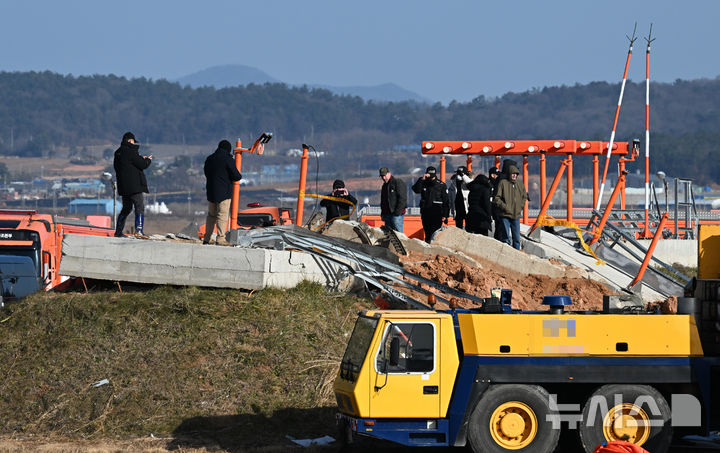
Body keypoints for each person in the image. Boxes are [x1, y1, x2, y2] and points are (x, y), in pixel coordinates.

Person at [113, 132, 152, 238]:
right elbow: (142, 165)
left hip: (124, 187)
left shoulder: (117, 153)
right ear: (130, 141)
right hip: (134, 187)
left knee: (126, 208)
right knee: (139, 206)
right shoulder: (131, 152)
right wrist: (148, 160)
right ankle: (139, 230)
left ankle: (118, 231)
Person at [203, 139, 242, 245]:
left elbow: (206, 172)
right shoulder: (227, 159)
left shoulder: (210, 158)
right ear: (228, 149)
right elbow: (237, 176)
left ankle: (206, 238)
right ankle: (220, 239)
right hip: (224, 192)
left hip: (211, 191)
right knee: (222, 215)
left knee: (211, 216)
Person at [493, 165, 530, 250]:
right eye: (513, 173)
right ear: (509, 174)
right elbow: (496, 198)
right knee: (505, 238)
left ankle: (516, 255)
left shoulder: (520, 184)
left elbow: (524, 197)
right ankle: (506, 254)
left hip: (516, 215)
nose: (514, 175)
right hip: (505, 215)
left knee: (516, 238)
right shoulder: (503, 183)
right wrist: (505, 207)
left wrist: (520, 207)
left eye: (516, 174)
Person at [411, 166, 449, 243]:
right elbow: (416, 190)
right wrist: (422, 179)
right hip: (426, 212)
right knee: (427, 233)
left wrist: (445, 215)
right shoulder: (423, 182)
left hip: (437, 213)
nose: (430, 178)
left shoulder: (441, 185)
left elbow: (446, 201)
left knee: (435, 234)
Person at [379, 167, 407, 233]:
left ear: (389, 174)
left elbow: (402, 198)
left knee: (399, 235)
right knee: (389, 235)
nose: (383, 178)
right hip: (387, 215)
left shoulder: (397, 182)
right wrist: (383, 213)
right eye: (382, 176)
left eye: (384, 175)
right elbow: (383, 201)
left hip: (396, 215)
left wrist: (397, 212)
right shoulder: (384, 186)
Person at [488, 167, 504, 241]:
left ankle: (497, 239)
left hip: (496, 208)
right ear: (492, 175)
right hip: (491, 208)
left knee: (499, 225)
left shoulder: (497, 185)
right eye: (496, 175)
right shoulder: (489, 185)